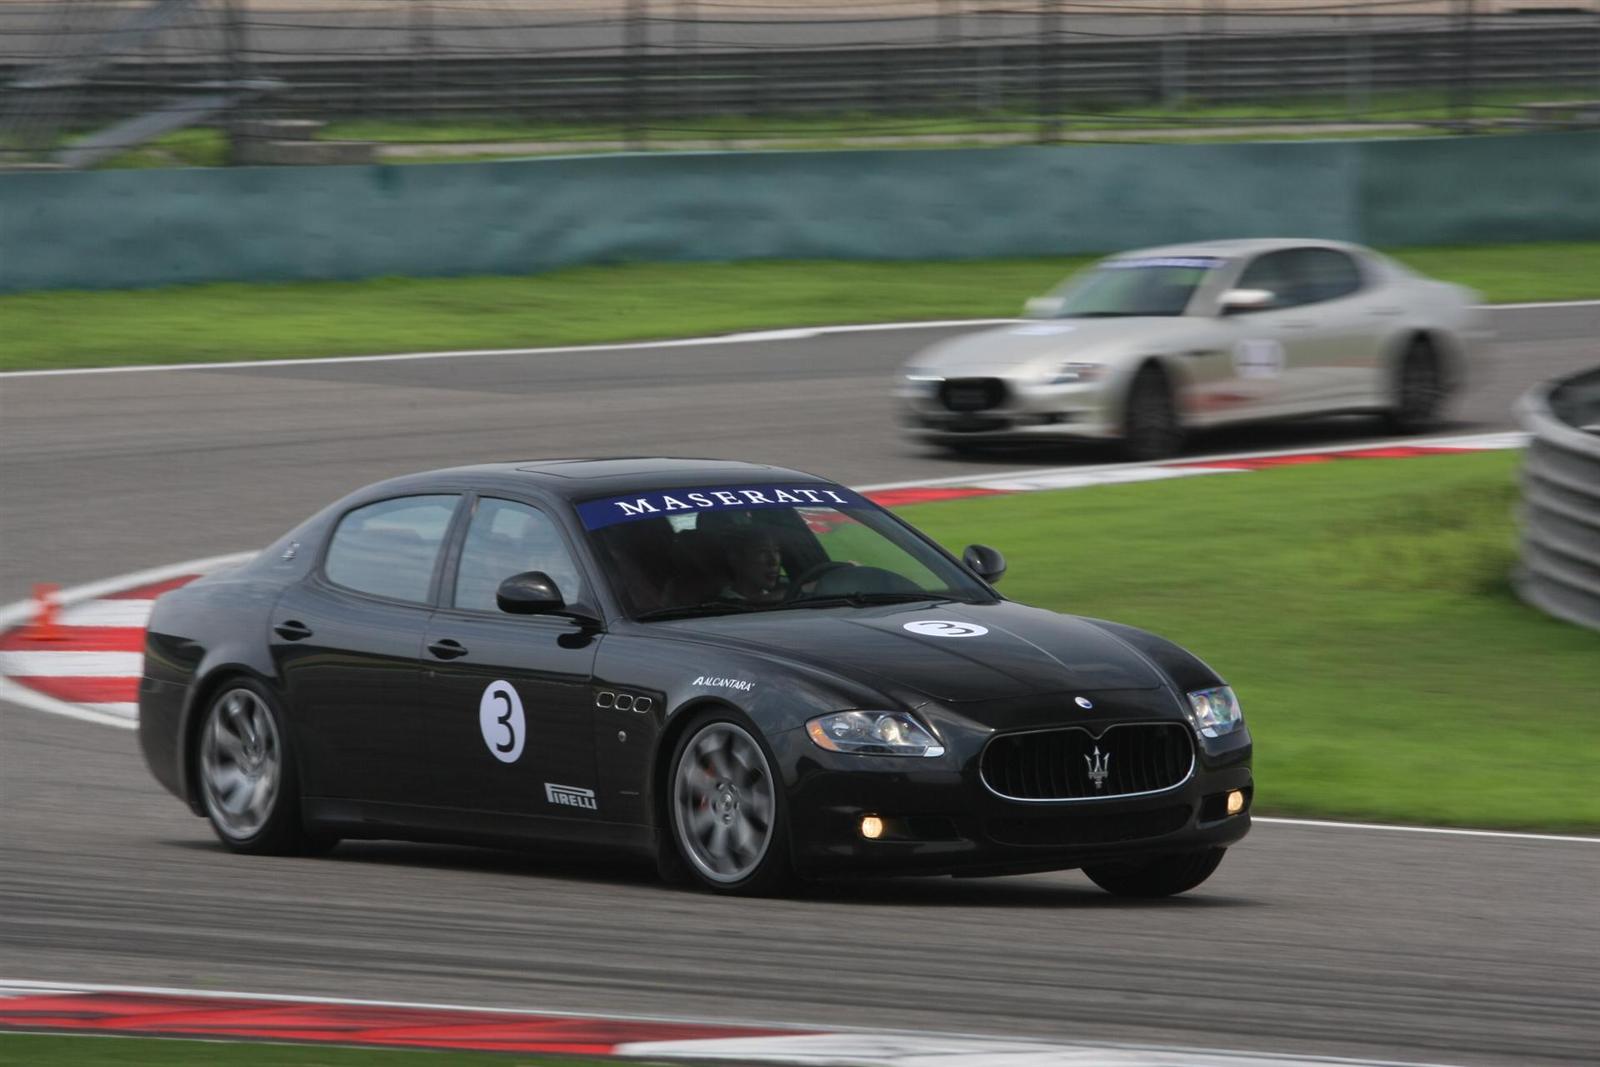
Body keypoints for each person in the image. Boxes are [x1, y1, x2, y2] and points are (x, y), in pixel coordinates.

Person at [719, 526, 788, 603]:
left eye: (776, 550)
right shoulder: (722, 605)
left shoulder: (787, 601)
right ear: (736, 558)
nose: (774, 561)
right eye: (763, 551)